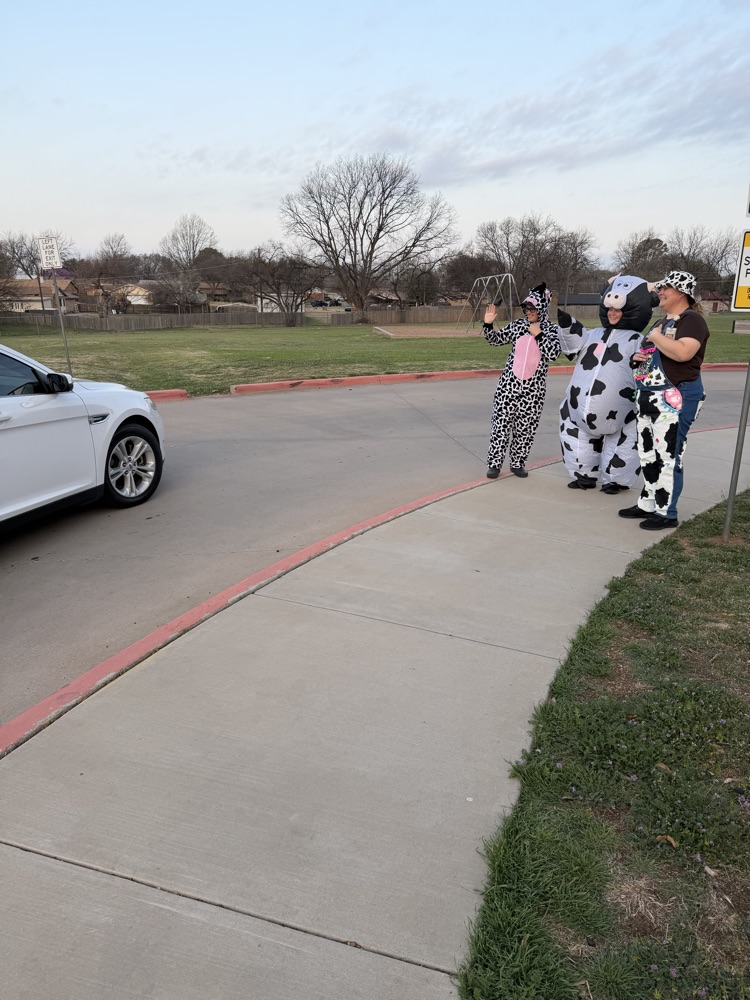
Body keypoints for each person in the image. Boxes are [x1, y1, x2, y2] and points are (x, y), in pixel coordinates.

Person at [618, 270, 710, 530]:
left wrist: (657, 338)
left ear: (681, 292)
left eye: (665, 288)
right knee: (647, 453)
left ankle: (667, 512)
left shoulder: (692, 321)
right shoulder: (661, 323)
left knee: (668, 455)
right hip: (648, 397)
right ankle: (648, 503)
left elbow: (683, 353)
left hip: (675, 398)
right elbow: (648, 354)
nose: (661, 292)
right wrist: (636, 360)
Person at [558, 275, 659, 493]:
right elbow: (572, 346)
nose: (613, 314)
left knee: (624, 442)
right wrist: (567, 326)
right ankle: (583, 474)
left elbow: (645, 370)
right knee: (576, 437)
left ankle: (616, 479)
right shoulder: (594, 334)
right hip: (579, 406)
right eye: (610, 309)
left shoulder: (639, 340)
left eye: (618, 310)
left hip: (622, 410)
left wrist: (640, 372)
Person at [483, 283, 561, 478]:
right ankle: (494, 463)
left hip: (533, 392)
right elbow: (494, 339)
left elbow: (553, 354)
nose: (528, 312)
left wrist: (539, 334)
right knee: (500, 426)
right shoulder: (518, 326)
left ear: (542, 308)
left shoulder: (552, 330)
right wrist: (488, 324)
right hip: (508, 388)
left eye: (533, 308)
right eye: (526, 308)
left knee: (526, 428)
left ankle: (518, 463)